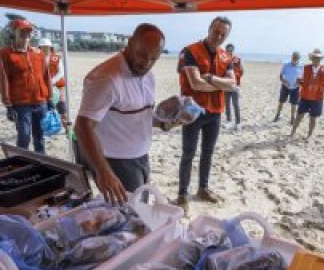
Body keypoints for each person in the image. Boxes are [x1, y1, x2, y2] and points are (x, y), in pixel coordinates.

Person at [74, 23, 167, 203]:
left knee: (141, 210)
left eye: (153, 58)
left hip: (140, 156)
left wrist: (166, 120)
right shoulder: (107, 78)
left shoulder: (148, 75)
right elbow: (83, 126)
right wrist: (103, 172)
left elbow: (138, 115)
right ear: (130, 43)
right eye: (142, 54)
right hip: (116, 161)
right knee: (128, 217)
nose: (146, 63)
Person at [176, 16, 236, 211]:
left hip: (215, 112)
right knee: (188, 153)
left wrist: (210, 78)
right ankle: (182, 195)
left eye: (223, 34)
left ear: (227, 36)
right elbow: (195, 83)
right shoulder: (190, 51)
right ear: (209, 28)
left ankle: (203, 188)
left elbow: (233, 84)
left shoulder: (226, 58)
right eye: (215, 31)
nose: (218, 36)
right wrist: (220, 84)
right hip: (192, 111)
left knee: (208, 153)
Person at [0, 19, 53, 154]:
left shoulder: (38, 53)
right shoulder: (5, 54)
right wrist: (8, 105)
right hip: (21, 104)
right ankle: (22, 165)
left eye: (28, 32)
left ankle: (42, 164)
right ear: (15, 32)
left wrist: (50, 98)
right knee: (24, 137)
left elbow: (46, 76)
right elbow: (4, 79)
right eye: (22, 31)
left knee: (40, 137)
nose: (26, 35)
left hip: (41, 102)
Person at [290, 48, 324, 140]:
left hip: (317, 98)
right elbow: (298, 79)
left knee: (313, 118)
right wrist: (304, 85)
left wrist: (321, 87)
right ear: (311, 58)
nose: (316, 59)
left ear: (321, 59)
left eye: (318, 58)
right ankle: (292, 133)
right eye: (314, 57)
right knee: (299, 116)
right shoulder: (305, 68)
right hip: (305, 96)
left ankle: (309, 135)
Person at [38, 38, 67, 131]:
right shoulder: (36, 58)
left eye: (47, 47)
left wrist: (52, 81)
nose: (45, 49)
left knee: (61, 106)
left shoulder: (56, 58)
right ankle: (46, 127)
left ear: (50, 48)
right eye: (43, 47)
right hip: (44, 87)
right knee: (44, 108)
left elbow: (61, 72)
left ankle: (67, 128)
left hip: (58, 86)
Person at [273, 51, 303, 124]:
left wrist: (299, 83)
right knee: (281, 102)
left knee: (294, 104)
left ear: (299, 58)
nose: (294, 59)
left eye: (296, 57)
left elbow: (303, 78)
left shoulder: (301, 66)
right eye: (293, 57)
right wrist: (284, 82)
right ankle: (277, 115)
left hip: (295, 88)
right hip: (285, 87)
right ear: (291, 57)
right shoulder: (286, 65)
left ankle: (292, 119)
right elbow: (281, 76)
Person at [224, 43, 244, 131]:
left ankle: (238, 123)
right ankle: (228, 121)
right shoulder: (223, 59)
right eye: (228, 50)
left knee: (235, 104)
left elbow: (242, 71)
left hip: (235, 85)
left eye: (231, 50)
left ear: (233, 50)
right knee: (227, 104)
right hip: (226, 85)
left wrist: (235, 77)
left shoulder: (238, 59)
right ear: (226, 50)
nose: (229, 51)